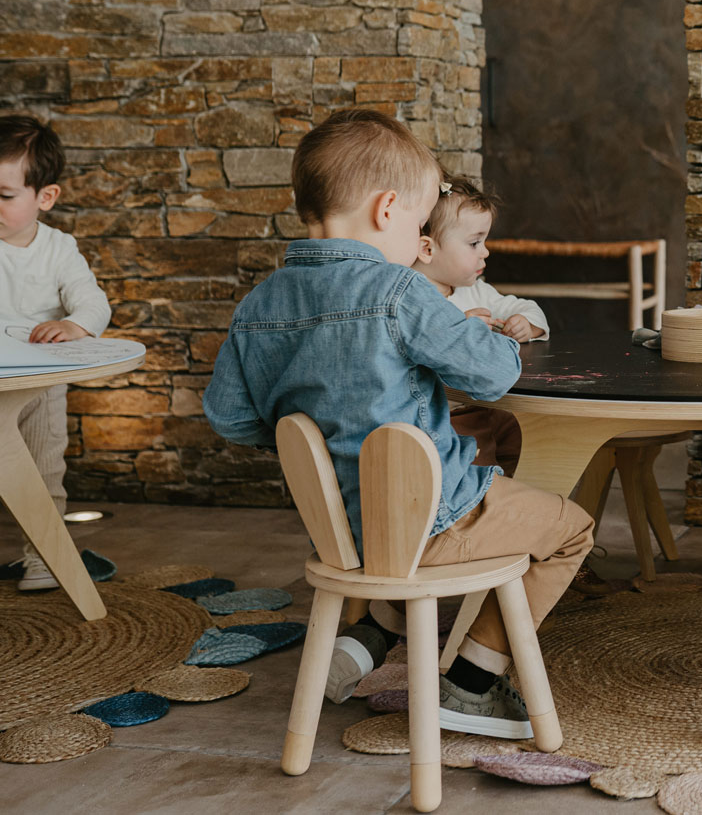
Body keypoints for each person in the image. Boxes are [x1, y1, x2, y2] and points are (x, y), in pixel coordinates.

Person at [202, 108, 593, 739]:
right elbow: (491, 379)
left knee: (422, 538)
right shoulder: (397, 291)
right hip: (433, 518)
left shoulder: (260, 303)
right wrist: (481, 334)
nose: (419, 240)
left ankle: (363, 640)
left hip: (338, 533)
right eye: (417, 224)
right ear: (388, 211)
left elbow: (231, 419)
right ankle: (469, 685)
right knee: (571, 530)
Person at [0, 115, 112, 592]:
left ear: (44, 198)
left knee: (44, 474)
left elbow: (92, 302)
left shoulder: (59, 250)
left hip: (39, 387)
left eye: (4, 196)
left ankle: (43, 558)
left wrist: (71, 324)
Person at [414, 175, 548, 472]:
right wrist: (459, 330)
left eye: (484, 241)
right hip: (447, 423)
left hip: (491, 408)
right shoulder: (415, 302)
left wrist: (527, 324)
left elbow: (527, 307)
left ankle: (529, 498)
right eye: (474, 242)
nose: (485, 251)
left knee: (532, 441)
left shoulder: (473, 290)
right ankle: (489, 505)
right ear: (427, 249)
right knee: (482, 477)